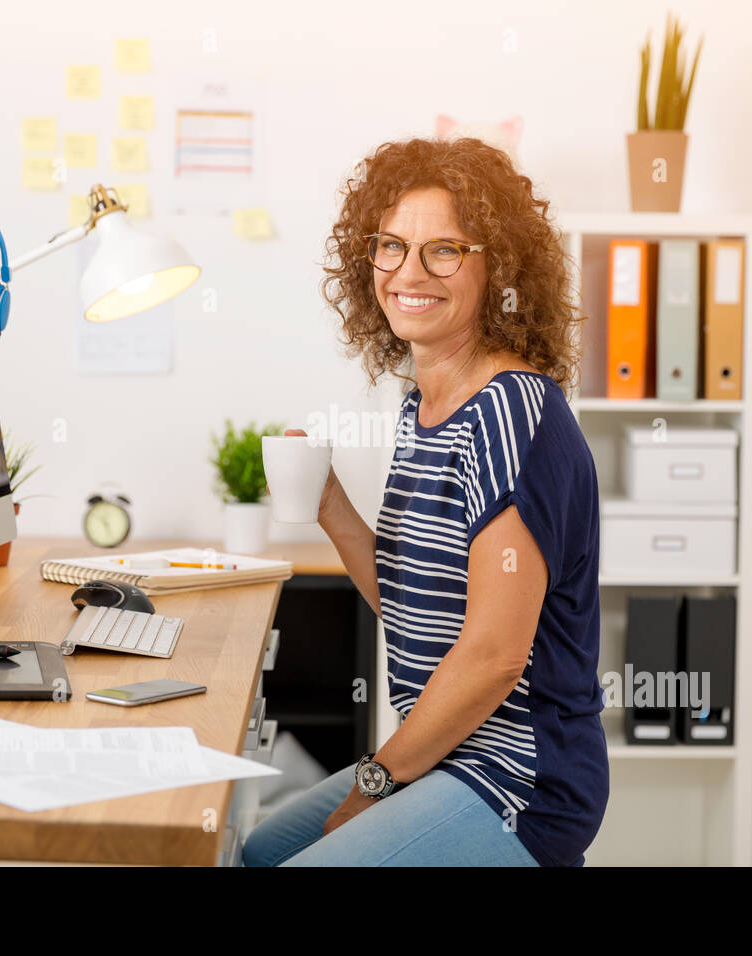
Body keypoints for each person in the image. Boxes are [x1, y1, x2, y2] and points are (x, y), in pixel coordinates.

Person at [244, 136, 607, 867]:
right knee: (259, 852)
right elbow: (416, 606)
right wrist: (329, 504)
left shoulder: (510, 415)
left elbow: (495, 656)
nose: (409, 273)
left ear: (496, 268)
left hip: (517, 779)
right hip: (450, 758)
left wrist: (373, 784)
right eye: (391, 246)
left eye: (444, 250)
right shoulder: (425, 406)